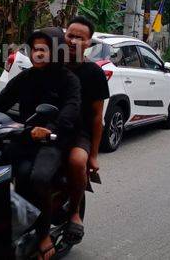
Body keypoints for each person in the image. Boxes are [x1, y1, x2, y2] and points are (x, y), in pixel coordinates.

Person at [0, 27, 80, 260]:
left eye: (43, 49)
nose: (37, 54)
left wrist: (49, 130)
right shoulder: (26, 77)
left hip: (53, 141)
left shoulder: (68, 80)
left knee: (36, 177)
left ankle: (43, 234)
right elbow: (1, 101)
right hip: (24, 135)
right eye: (34, 49)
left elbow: (70, 112)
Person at [62, 16, 110, 245]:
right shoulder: (51, 65)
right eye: (70, 35)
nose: (72, 41)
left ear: (88, 43)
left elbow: (96, 118)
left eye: (79, 38)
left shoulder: (94, 74)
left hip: (78, 134)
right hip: (47, 127)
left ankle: (74, 213)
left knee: (77, 161)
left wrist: (93, 155)